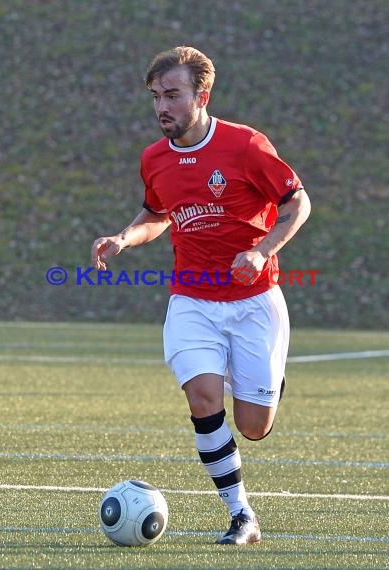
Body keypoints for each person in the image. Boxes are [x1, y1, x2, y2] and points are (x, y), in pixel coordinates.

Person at [91, 46, 311, 545]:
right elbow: (156, 215)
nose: (161, 107)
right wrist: (123, 238)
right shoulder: (154, 159)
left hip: (255, 299)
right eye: (155, 97)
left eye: (172, 95)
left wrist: (262, 248)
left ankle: (266, 382)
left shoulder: (246, 146)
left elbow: (298, 202)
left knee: (254, 427)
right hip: (192, 300)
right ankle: (241, 516)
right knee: (203, 396)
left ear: (202, 95)